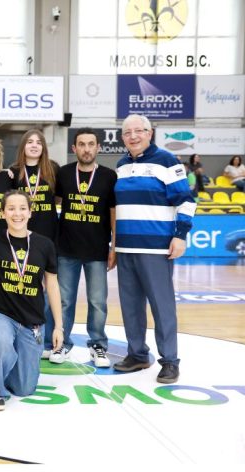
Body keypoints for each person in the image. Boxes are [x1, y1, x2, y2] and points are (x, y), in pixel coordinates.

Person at [114, 114, 196, 384]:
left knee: (162, 307)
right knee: (130, 307)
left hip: (156, 248)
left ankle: (170, 361)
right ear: (122, 137)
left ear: (150, 133)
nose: (133, 136)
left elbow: (186, 200)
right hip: (126, 247)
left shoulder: (167, 161)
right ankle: (137, 354)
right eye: (127, 132)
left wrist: (180, 235)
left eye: (139, 131)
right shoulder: (121, 165)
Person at [0, 190, 63, 411]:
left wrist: (58, 327)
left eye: (22, 208)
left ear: (30, 212)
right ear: (2, 213)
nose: (17, 214)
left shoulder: (44, 244)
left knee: (24, 388)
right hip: (0, 313)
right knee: (2, 342)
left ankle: (5, 365)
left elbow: (52, 286)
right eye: (11, 208)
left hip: (31, 320)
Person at [55, 128, 117, 368]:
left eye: (91, 144)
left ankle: (98, 345)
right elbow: (53, 204)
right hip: (66, 248)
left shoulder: (109, 176)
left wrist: (114, 246)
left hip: (97, 250)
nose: (87, 149)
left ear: (98, 147)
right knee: (64, 301)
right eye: (81, 144)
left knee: (98, 301)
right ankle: (62, 343)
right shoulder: (64, 173)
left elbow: (113, 213)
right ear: (74, 148)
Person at [9, 129, 60, 360]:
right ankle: (21, 335)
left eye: (38, 142)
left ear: (43, 147)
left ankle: (48, 341)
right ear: (23, 146)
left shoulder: (53, 169)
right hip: (21, 239)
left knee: (48, 290)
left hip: (47, 239)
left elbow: (60, 199)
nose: (34, 145)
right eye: (29, 141)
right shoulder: (14, 172)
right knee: (23, 288)